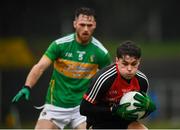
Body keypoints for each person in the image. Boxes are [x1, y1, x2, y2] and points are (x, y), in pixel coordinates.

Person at [12, 7, 112, 129]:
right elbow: (40, 67)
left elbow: (110, 78)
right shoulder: (59, 45)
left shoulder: (101, 52)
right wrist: (27, 86)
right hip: (55, 105)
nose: (86, 29)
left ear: (95, 25)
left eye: (89, 25)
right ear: (75, 24)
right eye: (82, 24)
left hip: (83, 107)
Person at [80, 41, 156, 129]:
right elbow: (84, 109)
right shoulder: (104, 78)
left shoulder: (142, 81)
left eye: (134, 64)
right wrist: (114, 110)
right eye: (125, 64)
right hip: (100, 123)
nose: (129, 69)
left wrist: (147, 110)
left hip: (126, 123)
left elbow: (137, 114)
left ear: (139, 61)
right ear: (117, 61)